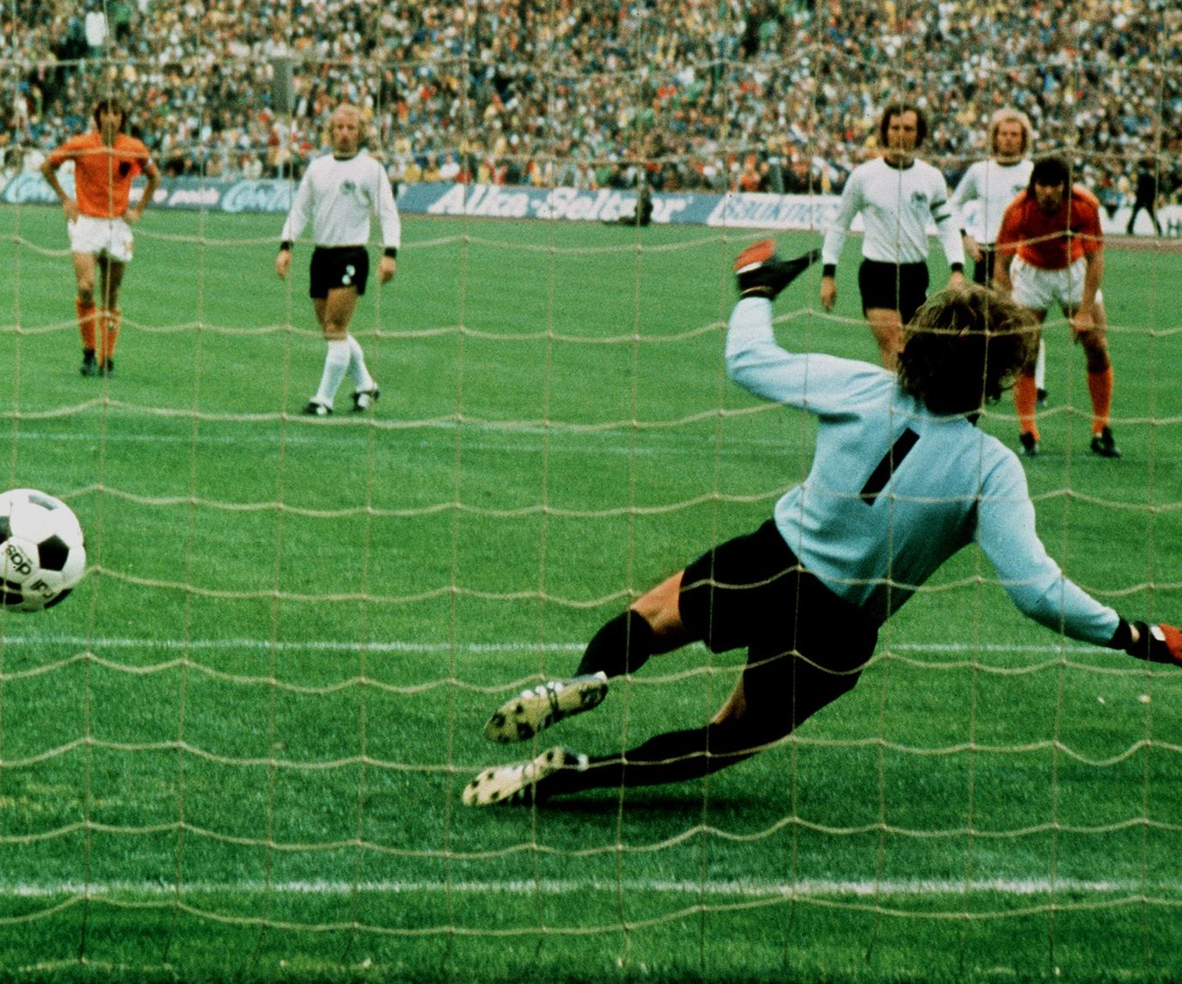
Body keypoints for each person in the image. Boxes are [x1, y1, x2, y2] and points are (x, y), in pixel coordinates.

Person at [462, 241, 1180, 807]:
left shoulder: (862, 386)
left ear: (921, 338)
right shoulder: (992, 468)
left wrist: (756, 289)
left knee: (651, 617)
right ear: (999, 375)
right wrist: (1131, 633)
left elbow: (748, 359)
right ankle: (575, 773)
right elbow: (1034, 589)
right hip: (837, 626)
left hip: (770, 556)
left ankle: (585, 678)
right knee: (726, 737)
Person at [275, 103, 401, 416]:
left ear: (360, 134)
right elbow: (301, 209)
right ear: (330, 132)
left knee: (334, 326)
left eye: (351, 128)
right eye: (339, 128)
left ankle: (323, 400)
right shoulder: (317, 168)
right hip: (321, 256)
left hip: (351, 255)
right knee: (333, 331)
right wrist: (286, 244)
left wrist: (390, 253)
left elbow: (388, 213)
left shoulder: (371, 170)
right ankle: (366, 386)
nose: (345, 134)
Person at [820, 102, 965, 369]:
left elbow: (946, 225)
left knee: (913, 351)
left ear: (919, 134)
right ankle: (894, 409)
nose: (901, 134)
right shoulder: (863, 177)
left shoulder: (931, 177)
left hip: (915, 274)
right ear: (885, 132)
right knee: (893, 342)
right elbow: (840, 224)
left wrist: (957, 269)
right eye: (895, 128)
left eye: (908, 128)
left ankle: (900, 404)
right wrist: (828, 274)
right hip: (878, 273)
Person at [992, 155, 1119, 458]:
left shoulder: (1085, 205)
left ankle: (1101, 427)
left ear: (1065, 187)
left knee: (1097, 343)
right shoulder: (1017, 210)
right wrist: (1008, 303)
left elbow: (1096, 259)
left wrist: (1085, 310)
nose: (1048, 192)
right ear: (1034, 185)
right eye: (1042, 185)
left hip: (1072, 269)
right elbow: (1001, 261)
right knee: (1026, 350)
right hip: (1031, 272)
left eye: (1055, 185)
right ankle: (1027, 431)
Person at [41, 97, 161, 377]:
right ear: (97, 117)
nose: (110, 118)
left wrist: (139, 210)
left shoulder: (134, 148)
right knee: (86, 286)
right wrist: (65, 200)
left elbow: (154, 177)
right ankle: (88, 353)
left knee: (111, 293)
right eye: (105, 112)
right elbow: (47, 166)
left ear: (122, 118)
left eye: (116, 113)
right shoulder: (82, 144)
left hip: (117, 225)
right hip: (86, 223)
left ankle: (108, 359)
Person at [947, 107, 1048, 405]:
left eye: (1014, 134)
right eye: (1003, 133)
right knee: (986, 321)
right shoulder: (980, 171)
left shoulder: (1032, 172)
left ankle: (1037, 385)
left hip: (1024, 253)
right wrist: (965, 236)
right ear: (994, 137)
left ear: (1023, 138)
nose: (1008, 139)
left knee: (1028, 320)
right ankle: (987, 380)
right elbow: (954, 204)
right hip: (989, 253)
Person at [1126, 156, 1162, 236]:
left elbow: (1141, 188)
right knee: (1149, 214)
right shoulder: (1148, 176)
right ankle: (1159, 229)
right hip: (1144, 197)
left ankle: (1129, 228)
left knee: (1138, 213)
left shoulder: (1144, 176)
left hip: (1143, 197)